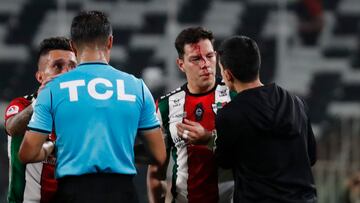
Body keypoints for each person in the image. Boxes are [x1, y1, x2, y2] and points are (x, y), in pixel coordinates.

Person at [18, 10, 166, 203]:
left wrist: (53, 147)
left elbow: (27, 153)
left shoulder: (52, 90)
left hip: (73, 192)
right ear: (110, 42)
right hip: (122, 193)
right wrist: (120, 151)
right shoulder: (137, 87)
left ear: (72, 46)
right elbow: (159, 155)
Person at [215, 35, 317, 203]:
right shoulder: (296, 102)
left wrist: (208, 139)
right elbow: (311, 157)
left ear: (228, 74)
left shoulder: (230, 115)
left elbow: (224, 161)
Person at [147, 26, 234, 203]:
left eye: (210, 56)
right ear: (181, 64)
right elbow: (156, 172)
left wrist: (210, 139)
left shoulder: (236, 96)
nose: (205, 64)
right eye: (195, 59)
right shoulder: (165, 106)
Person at [4, 37, 76, 203]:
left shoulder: (81, 113)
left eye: (72, 67)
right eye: (58, 66)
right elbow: (12, 128)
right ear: (40, 77)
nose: (66, 73)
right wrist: (39, 103)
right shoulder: (23, 104)